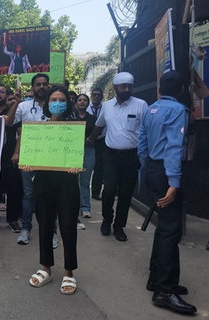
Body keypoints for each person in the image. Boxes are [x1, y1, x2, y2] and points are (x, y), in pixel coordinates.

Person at [138, 71, 196, 314]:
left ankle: (157, 279)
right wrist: (173, 182)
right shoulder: (178, 111)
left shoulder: (150, 109)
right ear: (181, 90)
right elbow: (174, 147)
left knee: (164, 227)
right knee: (170, 230)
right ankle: (165, 291)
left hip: (153, 167)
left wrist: (147, 168)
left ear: (160, 88)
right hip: (166, 170)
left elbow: (141, 143)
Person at [26, 86, 81, 295]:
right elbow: (32, 154)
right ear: (47, 103)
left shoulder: (74, 128)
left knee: (68, 226)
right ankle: (46, 268)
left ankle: (69, 272)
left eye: (61, 99)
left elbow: (79, 154)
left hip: (67, 182)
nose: (57, 102)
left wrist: (77, 165)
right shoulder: (39, 128)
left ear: (67, 103)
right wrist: (30, 163)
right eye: (53, 99)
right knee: (45, 225)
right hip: (43, 181)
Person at [88, 72, 148, 242]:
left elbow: (147, 130)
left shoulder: (141, 105)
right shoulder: (107, 106)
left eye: (129, 86)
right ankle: (107, 220)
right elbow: (99, 126)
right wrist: (90, 140)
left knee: (126, 193)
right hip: (111, 156)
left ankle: (119, 226)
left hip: (131, 156)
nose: (126, 89)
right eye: (123, 86)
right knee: (108, 191)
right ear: (115, 88)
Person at [10, 73, 50, 245]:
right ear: (33, 87)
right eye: (38, 84)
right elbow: (12, 125)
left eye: (44, 84)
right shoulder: (24, 107)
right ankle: (26, 228)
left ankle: (52, 231)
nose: (41, 87)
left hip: (51, 157)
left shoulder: (56, 105)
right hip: (28, 155)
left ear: (48, 86)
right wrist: (15, 103)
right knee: (28, 194)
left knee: (49, 195)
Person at [0, 85, 22, 233]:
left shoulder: (13, 112)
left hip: (9, 157)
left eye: (1, 92)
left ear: (6, 95)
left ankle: (12, 220)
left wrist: (16, 153)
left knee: (13, 190)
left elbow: (19, 133)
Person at [70, 94, 96, 219]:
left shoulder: (92, 118)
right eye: (79, 100)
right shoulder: (70, 117)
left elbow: (98, 134)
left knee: (85, 181)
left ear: (87, 103)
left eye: (84, 100)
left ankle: (85, 207)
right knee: (73, 181)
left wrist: (90, 140)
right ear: (76, 102)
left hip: (88, 150)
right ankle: (73, 206)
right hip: (72, 151)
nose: (82, 102)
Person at [87, 88, 105, 200]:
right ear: (91, 96)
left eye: (98, 95)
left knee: (99, 167)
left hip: (101, 140)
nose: (96, 97)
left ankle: (95, 192)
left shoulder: (106, 108)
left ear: (102, 96)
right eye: (94, 95)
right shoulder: (86, 108)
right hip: (87, 140)